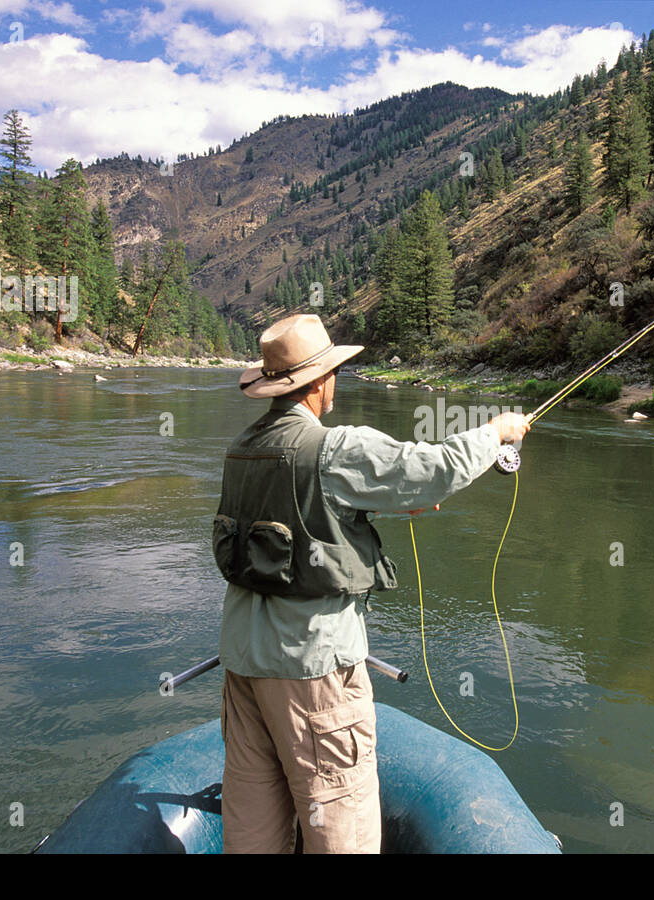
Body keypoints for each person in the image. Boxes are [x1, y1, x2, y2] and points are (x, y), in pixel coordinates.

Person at [214, 313, 529, 853]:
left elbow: (298, 516)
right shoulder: (335, 448)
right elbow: (430, 467)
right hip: (312, 668)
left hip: (242, 660)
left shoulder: (242, 448)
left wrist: (362, 510)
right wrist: (497, 432)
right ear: (319, 381)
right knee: (343, 822)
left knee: (252, 825)